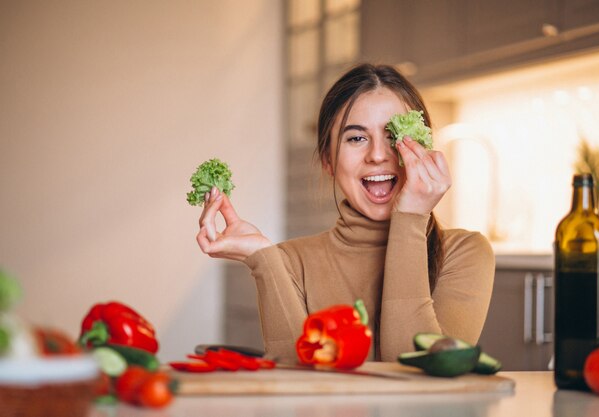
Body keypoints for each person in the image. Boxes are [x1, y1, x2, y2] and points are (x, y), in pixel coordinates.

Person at [196, 63, 495, 362]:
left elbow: (417, 379)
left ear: (423, 148)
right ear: (328, 159)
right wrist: (263, 258)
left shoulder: (465, 253)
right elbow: (297, 385)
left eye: (394, 135)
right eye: (356, 138)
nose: (378, 155)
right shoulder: (289, 261)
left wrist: (411, 218)